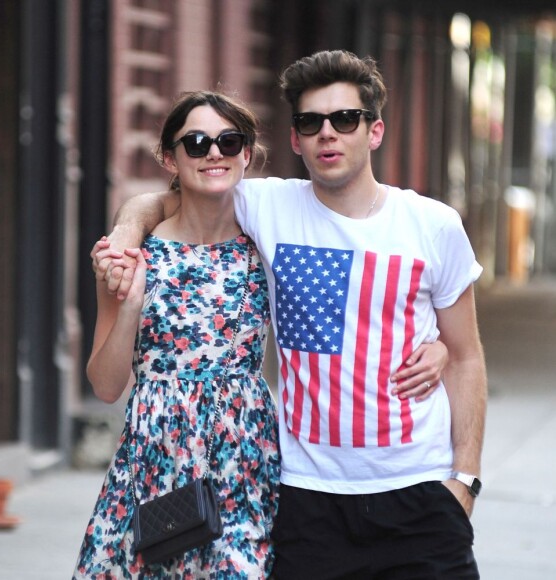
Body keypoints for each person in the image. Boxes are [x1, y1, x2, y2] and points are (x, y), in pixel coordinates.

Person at [94, 50, 485, 579]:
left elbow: (465, 358)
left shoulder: (433, 225)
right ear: (295, 139)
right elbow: (172, 199)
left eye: (345, 119)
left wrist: (464, 481)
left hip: (419, 493)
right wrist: (125, 232)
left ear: (374, 131)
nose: (329, 133)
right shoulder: (266, 206)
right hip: (306, 499)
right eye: (311, 122)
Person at [73, 90, 282, 579]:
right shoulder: (132, 254)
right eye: (196, 142)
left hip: (243, 462)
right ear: (170, 156)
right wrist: (131, 303)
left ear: (246, 154)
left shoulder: (268, 242)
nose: (214, 152)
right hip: (154, 462)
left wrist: (439, 344)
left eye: (230, 141)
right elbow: (105, 386)